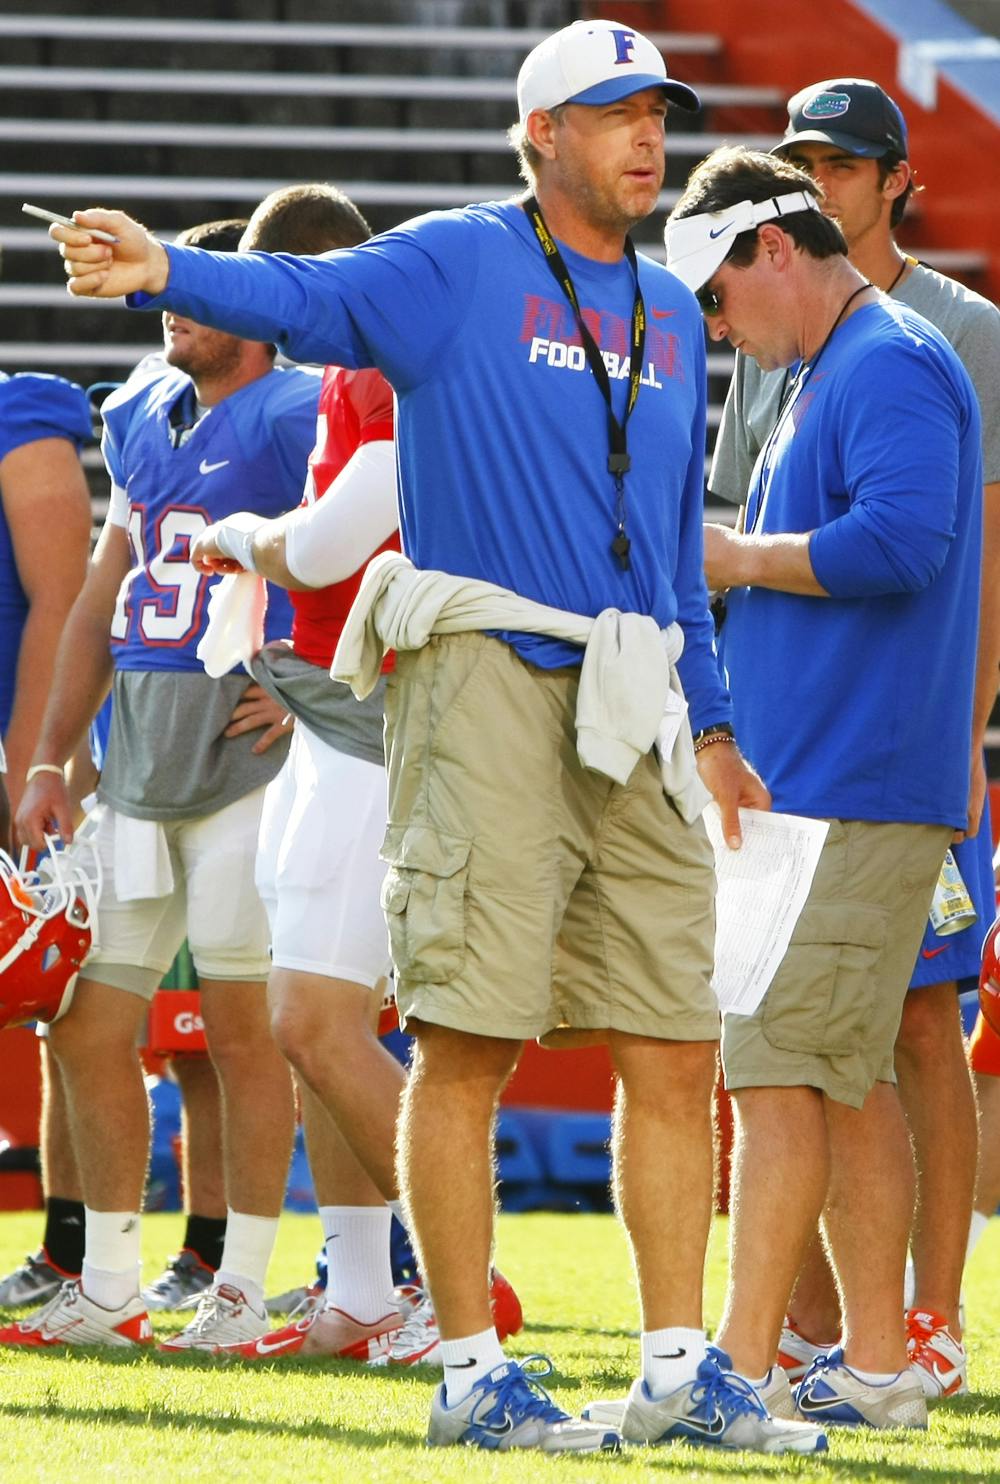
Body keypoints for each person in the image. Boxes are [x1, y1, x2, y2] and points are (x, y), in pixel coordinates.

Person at [49, 18, 830, 1459]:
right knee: (465, 1035)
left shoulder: (667, 307)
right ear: (541, 136)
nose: (648, 136)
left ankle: (674, 1368)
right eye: (613, 114)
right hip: (479, 670)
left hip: (634, 689)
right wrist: (167, 268)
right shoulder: (457, 260)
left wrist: (711, 723)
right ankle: (469, 1366)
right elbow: (303, 291)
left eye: (657, 111)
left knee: (672, 1042)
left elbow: (664, 540)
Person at [661, 143, 982, 1430]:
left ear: (771, 248)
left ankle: (738, 1364)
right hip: (819, 782)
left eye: (716, 299)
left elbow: (909, 538)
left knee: (779, 1070)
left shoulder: (887, 356)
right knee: (829, 1083)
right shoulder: (828, 363)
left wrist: (739, 553)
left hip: (857, 780)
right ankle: (867, 1363)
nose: (715, 328)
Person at [191, 182, 521, 1365]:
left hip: (392, 708)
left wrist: (240, 539)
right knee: (319, 1016)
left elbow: (337, 538)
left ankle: (459, 1280)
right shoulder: (352, 370)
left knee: (316, 1017)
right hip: (340, 711)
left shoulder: (386, 362)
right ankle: (366, 1285)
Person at [1, 218, 321, 1353]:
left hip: (246, 757)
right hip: (137, 754)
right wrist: (48, 755)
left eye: (198, 292)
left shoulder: (300, 411)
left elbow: (385, 544)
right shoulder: (142, 410)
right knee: (91, 1021)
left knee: (243, 1030)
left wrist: (313, 685)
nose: (173, 307)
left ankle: (237, 1286)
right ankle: (112, 1279)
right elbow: (99, 595)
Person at [0, 366, 92, 1307]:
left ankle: (77, 1249)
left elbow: (62, 598)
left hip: (16, 756)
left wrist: (33, 765)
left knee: (64, 1004)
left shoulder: (19, 409)